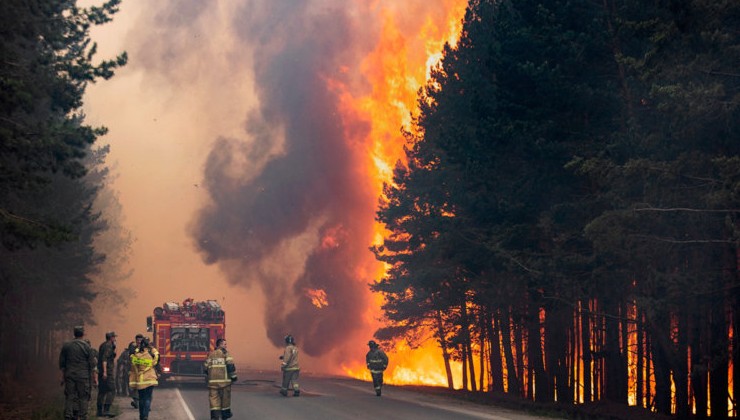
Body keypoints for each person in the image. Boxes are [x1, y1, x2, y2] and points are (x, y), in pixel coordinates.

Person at [59, 326, 98, 420]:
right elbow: (92, 364)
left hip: (70, 375)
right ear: (83, 334)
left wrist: (62, 377)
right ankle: (83, 416)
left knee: (69, 396)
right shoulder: (86, 346)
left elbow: (62, 363)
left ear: (74, 333)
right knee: (83, 397)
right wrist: (95, 379)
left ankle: (68, 416)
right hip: (83, 376)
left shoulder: (67, 346)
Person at [204, 338, 237, 420]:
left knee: (214, 401)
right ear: (220, 345)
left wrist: (210, 377)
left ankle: (214, 417)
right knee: (225, 400)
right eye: (224, 344)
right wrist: (233, 377)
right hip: (224, 383)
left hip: (213, 383)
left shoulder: (211, 354)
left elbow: (205, 368)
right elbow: (230, 366)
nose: (226, 346)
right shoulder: (226, 354)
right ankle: (225, 415)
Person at [129, 337, 159, 420]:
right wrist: (151, 348)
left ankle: (141, 416)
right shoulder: (151, 356)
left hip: (141, 380)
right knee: (148, 398)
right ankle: (146, 415)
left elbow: (133, 366)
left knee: (141, 399)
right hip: (150, 379)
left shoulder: (137, 355)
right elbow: (157, 358)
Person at [97, 331, 118, 417]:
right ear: (111, 338)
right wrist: (105, 372)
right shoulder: (108, 346)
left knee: (102, 391)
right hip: (107, 372)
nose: (115, 339)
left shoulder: (103, 345)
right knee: (112, 390)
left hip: (101, 371)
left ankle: (99, 411)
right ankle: (106, 410)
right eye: (114, 337)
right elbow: (104, 359)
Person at [126, 334, 144, 409]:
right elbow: (131, 359)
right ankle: (136, 402)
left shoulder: (145, 348)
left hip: (142, 371)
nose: (139, 341)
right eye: (138, 340)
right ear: (136, 340)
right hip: (133, 370)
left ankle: (140, 403)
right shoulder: (132, 348)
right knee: (133, 387)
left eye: (140, 340)